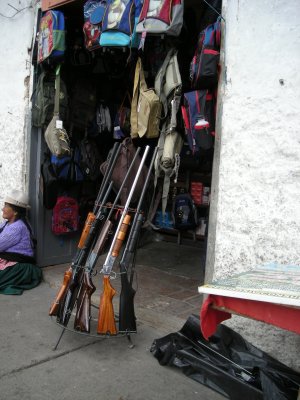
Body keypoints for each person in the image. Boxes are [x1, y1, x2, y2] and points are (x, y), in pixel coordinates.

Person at [0, 190, 42, 295]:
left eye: (6, 206)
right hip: (9, 260)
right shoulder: (8, 223)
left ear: (15, 212)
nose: (2, 209)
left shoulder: (17, 227)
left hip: (19, 266)